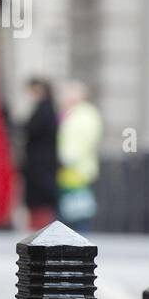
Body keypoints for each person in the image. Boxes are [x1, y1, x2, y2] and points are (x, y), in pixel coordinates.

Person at [56, 79, 103, 233]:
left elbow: (84, 140)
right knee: (69, 209)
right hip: (67, 170)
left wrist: (68, 157)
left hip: (78, 169)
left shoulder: (85, 114)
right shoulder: (69, 112)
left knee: (79, 211)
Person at [21, 77, 59, 229]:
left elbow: (32, 129)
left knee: (41, 204)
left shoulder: (44, 110)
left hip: (40, 167)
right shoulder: (46, 108)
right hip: (41, 166)